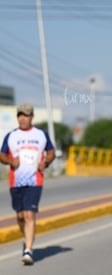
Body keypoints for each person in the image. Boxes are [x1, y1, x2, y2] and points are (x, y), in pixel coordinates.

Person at [0, 103, 56, 265]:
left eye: (26, 115)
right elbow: (1, 155)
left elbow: (51, 152)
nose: (22, 118)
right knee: (20, 216)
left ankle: (28, 250)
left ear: (32, 117)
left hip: (35, 180)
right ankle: (27, 239)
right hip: (15, 181)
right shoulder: (11, 136)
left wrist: (46, 163)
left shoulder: (41, 134)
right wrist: (11, 161)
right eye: (20, 115)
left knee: (29, 214)